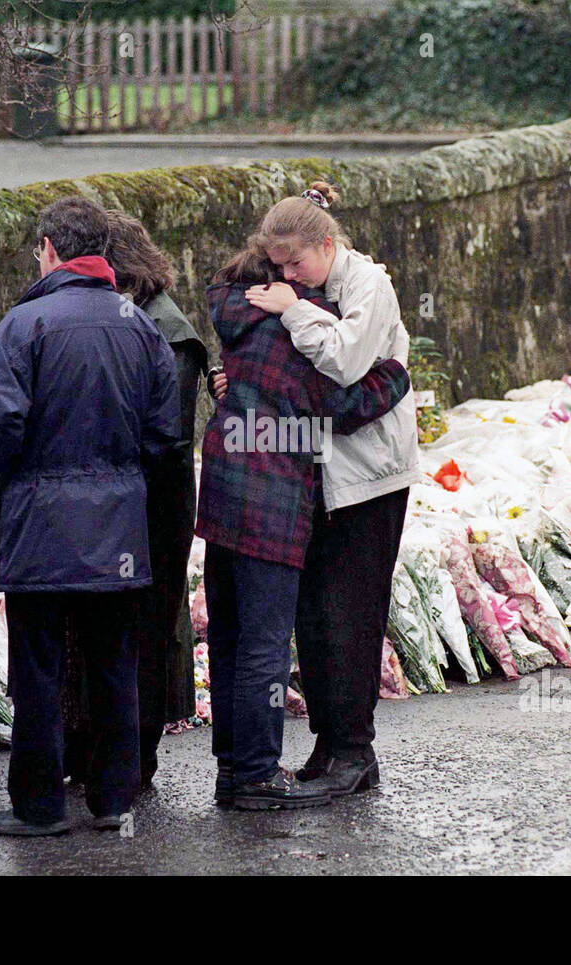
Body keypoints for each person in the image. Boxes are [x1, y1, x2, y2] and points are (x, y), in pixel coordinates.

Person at [0, 196, 179, 836]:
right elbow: (166, 434)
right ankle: (114, 800)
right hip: (117, 529)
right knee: (114, 665)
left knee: (39, 671)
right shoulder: (138, 325)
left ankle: (39, 805)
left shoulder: (22, 326)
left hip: (39, 528)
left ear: (50, 249)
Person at [225, 181, 421, 796]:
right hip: (320, 473)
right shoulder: (308, 283)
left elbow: (343, 360)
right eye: (278, 266)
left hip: (370, 479)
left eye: (296, 263)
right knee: (315, 618)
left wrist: (292, 308)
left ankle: (355, 752)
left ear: (327, 245)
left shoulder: (369, 285)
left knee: (352, 616)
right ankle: (330, 745)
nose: (287, 275)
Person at [63, 211, 207, 790]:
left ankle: (131, 757)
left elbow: (166, 439)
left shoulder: (166, 332)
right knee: (116, 629)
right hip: (133, 502)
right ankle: (106, 750)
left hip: (152, 509)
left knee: (145, 630)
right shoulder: (144, 320)